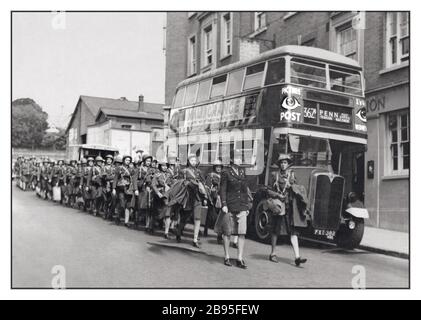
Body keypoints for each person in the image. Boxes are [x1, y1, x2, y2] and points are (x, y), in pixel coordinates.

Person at [267, 154, 307, 267]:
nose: (283, 164)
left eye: (285, 162)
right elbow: (268, 191)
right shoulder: (274, 175)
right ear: (279, 164)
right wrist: (278, 196)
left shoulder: (292, 175)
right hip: (278, 206)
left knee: (293, 231)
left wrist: (292, 187)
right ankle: (273, 253)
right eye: (281, 162)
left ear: (288, 164)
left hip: (289, 207)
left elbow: (296, 189)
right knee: (275, 230)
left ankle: (297, 257)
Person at [219, 150, 253, 269]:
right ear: (232, 159)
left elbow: (245, 190)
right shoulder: (226, 172)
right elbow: (222, 189)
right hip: (229, 205)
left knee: (242, 233)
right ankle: (227, 256)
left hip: (242, 205)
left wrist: (247, 205)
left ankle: (239, 258)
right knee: (227, 232)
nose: (240, 160)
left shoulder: (242, 172)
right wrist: (224, 204)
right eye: (237, 158)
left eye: (241, 158)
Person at [177, 154, 208, 248]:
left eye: (195, 160)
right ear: (188, 161)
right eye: (192, 160)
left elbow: (203, 184)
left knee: (197, 218)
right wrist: (188, 183)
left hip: (197, 197)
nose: (194, 162)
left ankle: (195, 239)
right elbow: (179, 183)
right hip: (187, 197)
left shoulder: (199, 172)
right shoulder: (184, 171)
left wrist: (205, 196)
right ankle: (179, 232)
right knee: (184, 217)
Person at [151, 159, 174, 239]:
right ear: (160, 167)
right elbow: (153, 185)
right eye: (163, 166)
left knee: (168, 213)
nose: (164, 167)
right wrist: (158, 193)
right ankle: (152, 227)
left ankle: (166, 232)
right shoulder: (157, 175)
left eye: (165, 166)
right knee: (157, 212)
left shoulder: (169, 175)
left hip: (167, 195)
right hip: (159, 195)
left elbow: (172, 184)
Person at [134, 154, 155, 232]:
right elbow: (134, 179)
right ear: (144, 161)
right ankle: (136, 220)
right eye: (147, 161)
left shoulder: (153, 170)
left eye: (150, 161)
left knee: (149, 208)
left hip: (150, 190)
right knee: (139, 206)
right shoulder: (139, 169)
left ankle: (148, 225)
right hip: (141, 190)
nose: (148, 162)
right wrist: (135, 189)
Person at [205, 159, 224, 241]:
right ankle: (206, 229)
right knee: (210, 215)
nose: (218, 168)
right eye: (217, 167)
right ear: (214, 167)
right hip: (213, 198)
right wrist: (208, 196)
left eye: (220, 167)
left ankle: (219, 234)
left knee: (220, 217)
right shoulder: (211, 175)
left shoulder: (223, 176)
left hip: (221, 197)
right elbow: (208, 186)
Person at [113, 155, 133, 226]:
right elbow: (115, 178)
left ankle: (126, 222)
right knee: (122, 204)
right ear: (123, 160)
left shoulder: (131, 169)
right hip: (120, 187)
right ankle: (118, 217)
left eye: (129, 160)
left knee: (128, 204)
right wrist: (114, 188)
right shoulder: (119, 168)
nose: (128, 161)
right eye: (126, 160)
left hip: (128, 188)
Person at [103, 155, 116, 220]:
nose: (109, 161)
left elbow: (116, 176)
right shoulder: (104, 167)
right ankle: (105, 214)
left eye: (110, 159)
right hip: (105, 186)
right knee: (106, 201)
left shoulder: (114, 167)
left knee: (113, 200)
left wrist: (111, 177)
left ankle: (110, 214)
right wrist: (112, 177)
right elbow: (104, 177)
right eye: (107, 159)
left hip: (112, 185)